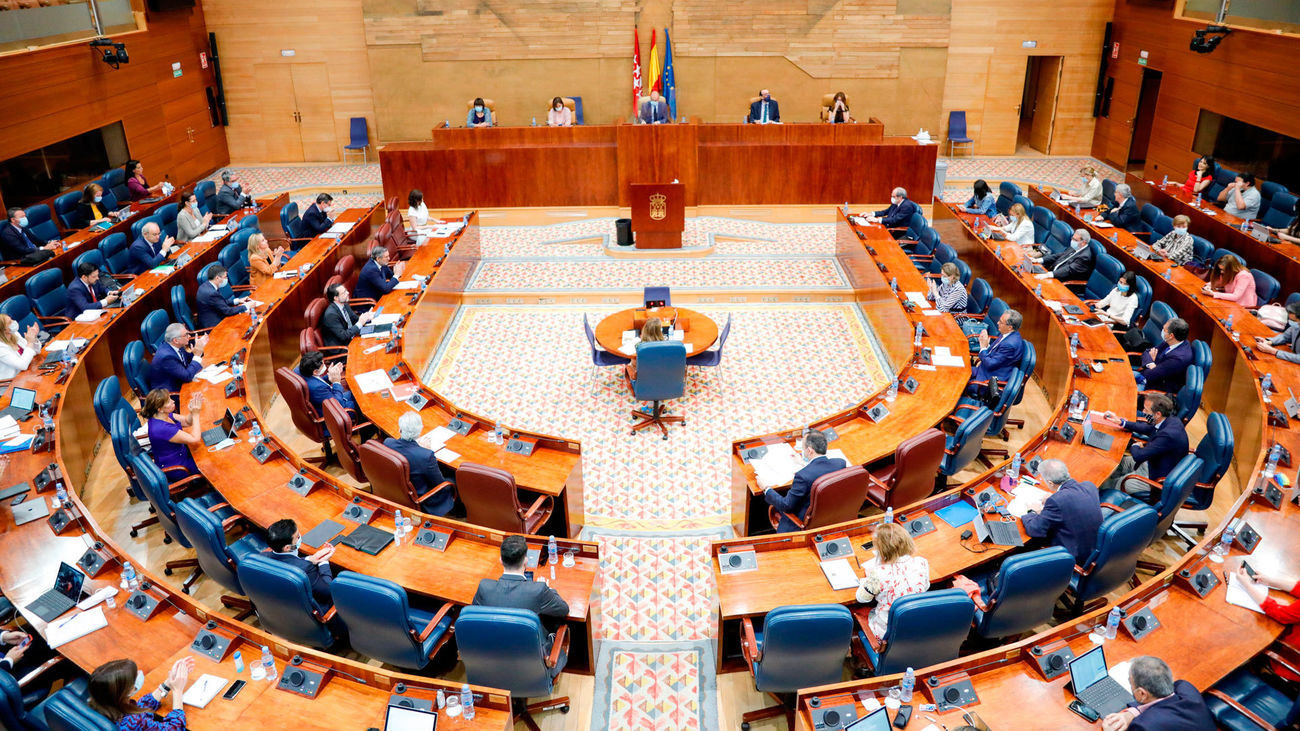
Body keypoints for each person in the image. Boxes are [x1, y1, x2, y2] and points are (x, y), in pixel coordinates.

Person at [472, 534, 570, 637]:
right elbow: (563, 610)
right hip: (531, 651)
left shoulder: (484, 586)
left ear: (501, 560)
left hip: (493, 646)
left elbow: (474, 615)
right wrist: (549, 589)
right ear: (526, 561)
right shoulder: (538, 590)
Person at [1101, 393, 1188, 497]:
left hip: (1153, 476)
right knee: (1117, 462)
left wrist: (1135, 446)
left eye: (1146, 410)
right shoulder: (1171, 420)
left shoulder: (1168, 435)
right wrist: (1121, 422)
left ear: (1158, 414)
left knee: (1114, 484)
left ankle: (1101, 493)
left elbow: (1138, 456)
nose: (1143, 412)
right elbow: (1149, 429)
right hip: (1151, 461)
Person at [1020, 459, 1103, 565]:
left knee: (1029, 542)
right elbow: (1071, 502)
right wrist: (1055, 497)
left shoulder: (1057, 501)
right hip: (1094, 548)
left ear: (1050, 482)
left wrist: (1032, 511)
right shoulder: (1089, 486)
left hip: (1074, 557)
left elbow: (1034, 529)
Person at [763, 429, 847, 533]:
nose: (802, 450)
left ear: (810, 451)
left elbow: (786, 506)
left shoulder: (802, 477)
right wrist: (803, 464)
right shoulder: (840, 463)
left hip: (804, 521)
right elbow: (821, 472)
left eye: (803, 447)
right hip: (831, 513)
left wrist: (766, 488)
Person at [1099, 656, 1214, 731]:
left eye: (1130, 682)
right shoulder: (1186, 687)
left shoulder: (1144, 726)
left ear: (1142, 694)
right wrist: (1132, 713)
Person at [855, 522, 930, 637]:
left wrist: (867, 579)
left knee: (856, 611)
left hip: (887, 634)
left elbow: (861, 598)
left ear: (881, 549)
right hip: (915, 625)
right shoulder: (921, 562)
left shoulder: (878, 573)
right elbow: (925, 586)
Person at [88, 656, 195, 731]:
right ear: (127, 691)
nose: (139, 673)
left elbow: (138, 708)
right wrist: (178, 691)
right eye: (135, 676)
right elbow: (175, 729)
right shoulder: (133, 722)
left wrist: (167, 684)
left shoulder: (102, 703)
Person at [384, 412, 455, 516]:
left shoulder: (388, 443)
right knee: (454, 479)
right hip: (423, 498)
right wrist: (424, 451)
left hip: (399, 491)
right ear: (419, 432)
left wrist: (421, 450)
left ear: (400, 429)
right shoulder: (426, 456)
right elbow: (439, 483)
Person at [266, 518, 337, 606]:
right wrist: (324, 562)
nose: (300, 537)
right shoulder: (305, 570)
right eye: (297, 537)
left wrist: (310, 559)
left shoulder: (262, 557)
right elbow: (328, 592)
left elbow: (290, 562)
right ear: (288, 548)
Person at [141, 389, 202, 481]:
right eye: (169, 401)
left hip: (181, 455)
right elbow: (195, 439)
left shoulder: (163, 416)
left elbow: (187, 421)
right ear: (160, 409)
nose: (173, 401)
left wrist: (192, 412)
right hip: (178, 467)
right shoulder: (162, 428)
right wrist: (196, 414)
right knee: (210, 462)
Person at [969, 309, 1025, 392]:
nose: (998, 323)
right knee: (957, 370)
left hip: (987, 381)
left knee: (957, 382)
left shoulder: (1010, 345)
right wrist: (987, 345)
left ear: (1010, 327)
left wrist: (983, 348)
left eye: (1001, 322)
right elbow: (996, 354)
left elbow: (990, 364)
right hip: (983, 370)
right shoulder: (1007, 333)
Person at [1139, 317, 1193, 393]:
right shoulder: (1172, 341)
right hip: (1150, 376)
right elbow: (1147, 352)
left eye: (1164, 330)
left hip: (1157, 390)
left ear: (1171, 335)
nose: (1162, 331)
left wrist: (1152, 364)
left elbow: (1149, 376)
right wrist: (1151, 364)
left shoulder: (1178, 359)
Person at [149, 323, 207, 393]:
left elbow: (188, 359)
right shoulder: (166, 357)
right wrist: (197, 356)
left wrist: (198, 349)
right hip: (170, 394)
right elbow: (187, 376)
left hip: (179, 380)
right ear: (176, 340)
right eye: (186, 335)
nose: (189, 336)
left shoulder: (176, 345)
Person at [299, 350, 359, 415]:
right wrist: (336, 382)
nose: (324, 365)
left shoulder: (301, 370)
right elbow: (338, 403)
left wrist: (331, 374)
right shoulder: (317, 387)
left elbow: (319, 380)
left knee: (356, 391)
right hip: (337, 411)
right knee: (360, 401)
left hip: (329, 399)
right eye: (323, 364)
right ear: (315, 372)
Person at [319, 283, 374, 349]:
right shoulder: (331, 315)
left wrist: (366, 318)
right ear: (336, 298)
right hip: (342, 347)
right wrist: (360, 323)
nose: (348, 293)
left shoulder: (344, 304)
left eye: (346, 290)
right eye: (344, 293)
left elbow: (355, 319)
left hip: (352, 337)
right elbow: (343, 336)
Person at [196, 264, 249, 330]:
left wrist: (237, 301)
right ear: (217, 278)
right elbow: (228, 311)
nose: (227, 279)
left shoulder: (207, 285)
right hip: (213, 326)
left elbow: (219, 302)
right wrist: (247, 306)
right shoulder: (211, 293)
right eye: (225, 277)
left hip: (215, 316)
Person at [622, 316, 667, 383]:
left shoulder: (639, 347)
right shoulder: (666, 346)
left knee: (629, 364)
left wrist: (628, 366)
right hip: (663, 378)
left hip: (644, 381)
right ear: (660, 331)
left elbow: (634, 365)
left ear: (644, 329)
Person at [0, 314, 39, 380]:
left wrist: (33, 337)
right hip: (11, 382)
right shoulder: (1, 348)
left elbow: (35, 351)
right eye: (10, 322)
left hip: (27, 372)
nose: (14, 322)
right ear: (3, 330)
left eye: (11, 319)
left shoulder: (14, 334)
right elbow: (22, 365)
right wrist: (30, 342)